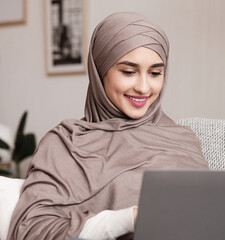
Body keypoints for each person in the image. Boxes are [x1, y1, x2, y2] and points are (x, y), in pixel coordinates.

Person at [7, 12, 208, 240]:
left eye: (155, 73)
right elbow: (32, 230)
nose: (143, 87)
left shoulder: (182, 139)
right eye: (129, 72)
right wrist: (128, 219)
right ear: (100, 71)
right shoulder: (64, 143)